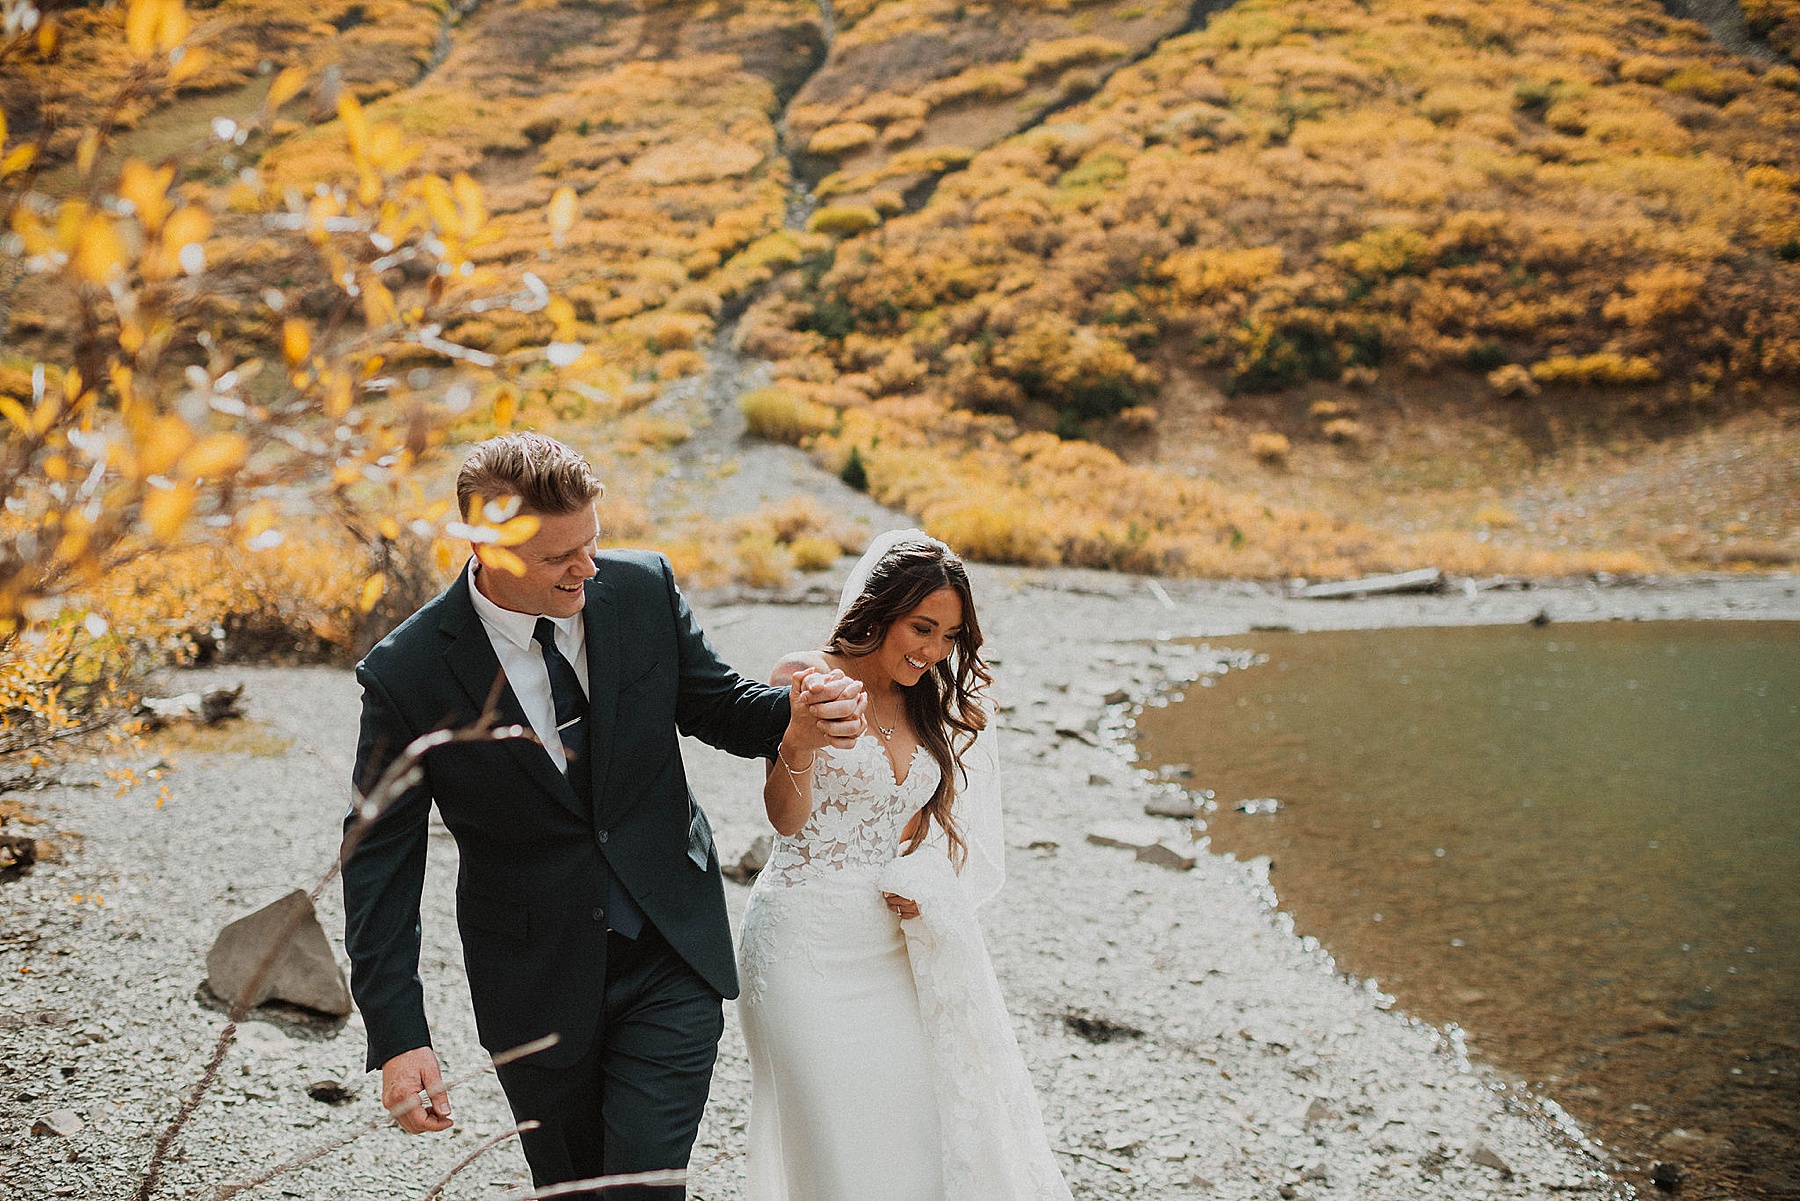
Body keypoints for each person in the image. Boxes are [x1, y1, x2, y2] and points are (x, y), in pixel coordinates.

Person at [340, 432, 865, 1200]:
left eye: (592, 542)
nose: (587, 567)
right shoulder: (406, 672)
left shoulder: (642, 587)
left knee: (640, 1191)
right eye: (561, 557)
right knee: (571, 1190)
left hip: (671, 952)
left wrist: (798, 714)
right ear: (490, 548)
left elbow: (721, 707)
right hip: (534, 985)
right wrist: (399, 1035)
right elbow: (380, 861)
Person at [737, 530, 1075, 1200]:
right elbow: (784, 817)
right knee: (832, 1143)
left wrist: (922, 884)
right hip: (798, 945)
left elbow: (911, 827)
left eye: (949, 637)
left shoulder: (926, 704)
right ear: (880, 609)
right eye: (922, 628)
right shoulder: (803, 676)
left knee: (904, 1135)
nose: (932, 651)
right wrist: (799, 740)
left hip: (889, 953)